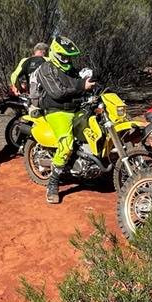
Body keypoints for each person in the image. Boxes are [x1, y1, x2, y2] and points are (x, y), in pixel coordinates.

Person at [34, 36, 95, 204]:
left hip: (74, 108)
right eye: (64, 57)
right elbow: (57, 92)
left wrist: (90, 83)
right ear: (55, 53)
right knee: (66, 143)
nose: (67, 60)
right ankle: (53, 182)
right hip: (56, 110)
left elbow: (77, 83)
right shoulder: (46, 68)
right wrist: (82, 86)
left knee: (95, 128)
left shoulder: (70, 69)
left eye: (69, 57)